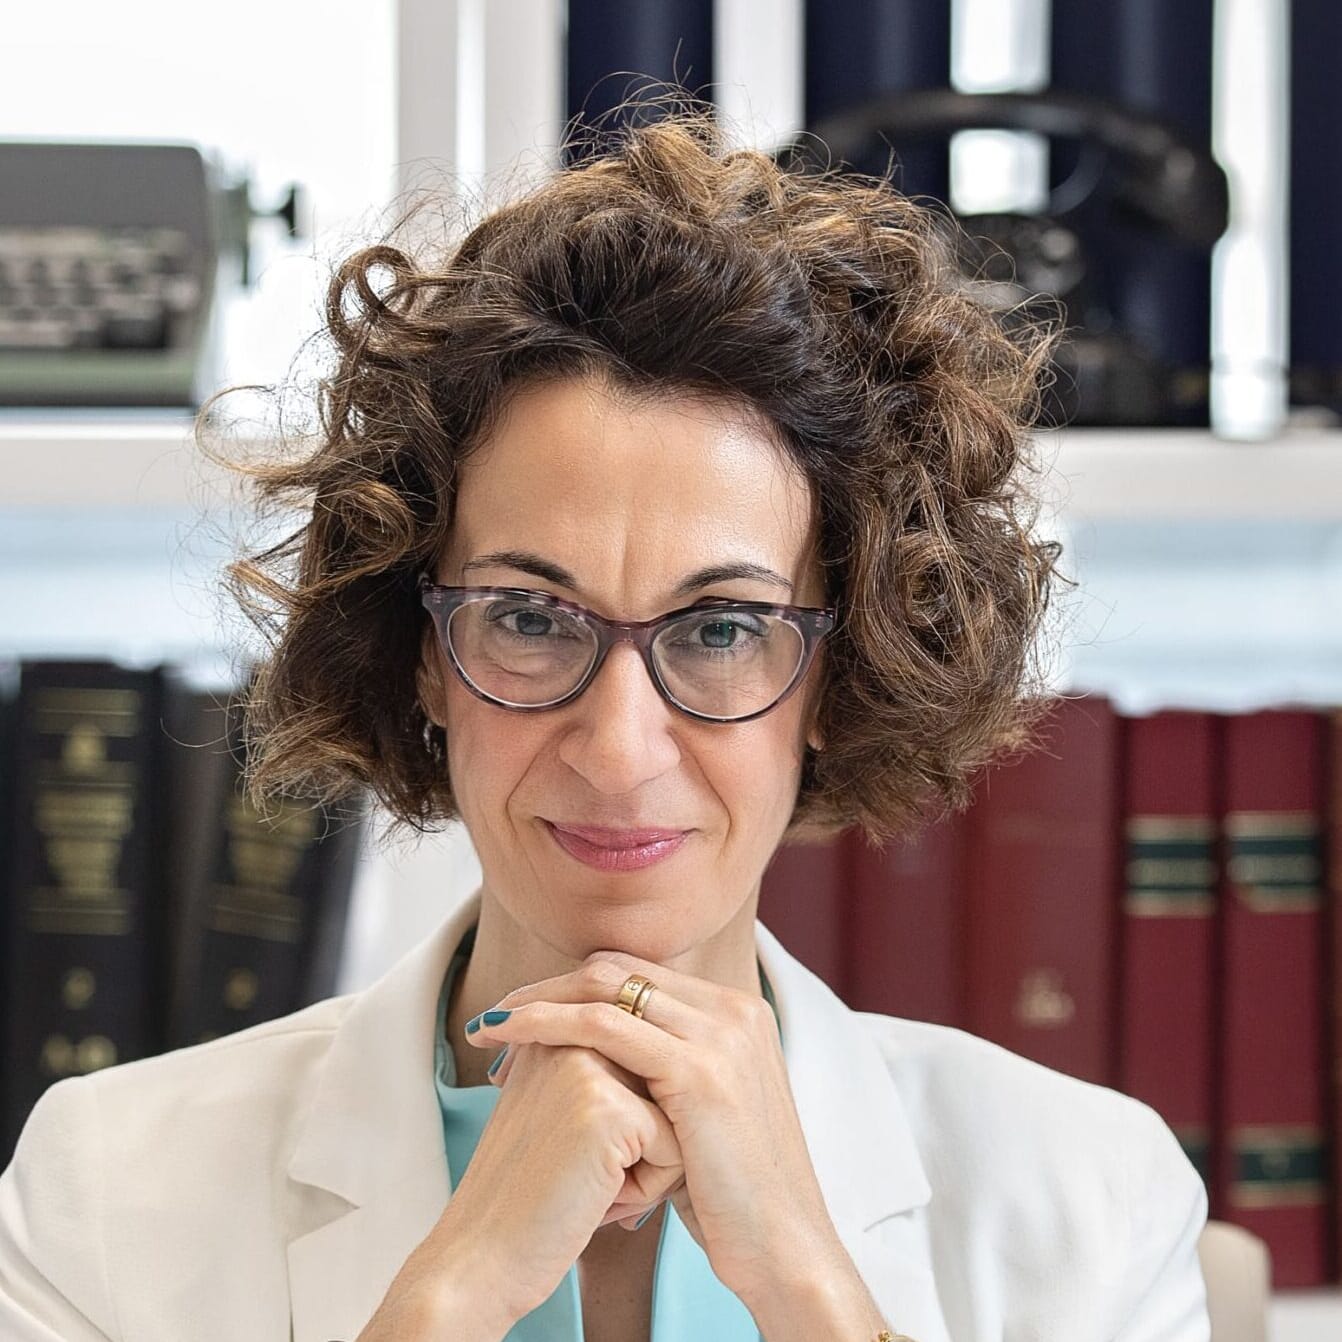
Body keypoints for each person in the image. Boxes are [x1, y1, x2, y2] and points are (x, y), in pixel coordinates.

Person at [0, 104, 1211, 1341]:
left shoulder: (1093, 1200)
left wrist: (807, 1285)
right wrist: (451, 1292)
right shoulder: (104, 1194)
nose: (620, 750)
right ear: (420, 654)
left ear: (841, 673)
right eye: (530, 618)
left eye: (722, 629)